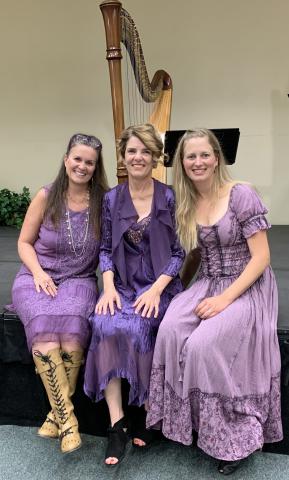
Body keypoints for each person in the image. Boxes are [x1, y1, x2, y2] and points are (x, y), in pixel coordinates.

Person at [146, 128, 283, 475]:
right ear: (182, 162)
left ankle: (234, 438)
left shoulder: (241, 194)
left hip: (245, 285)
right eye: (190, 156)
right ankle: (184, 423)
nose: (198, 162)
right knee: (171, 329)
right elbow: (194, 254)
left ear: (217, 157)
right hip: (207, 281)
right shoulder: (187, 200)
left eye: (204, 154)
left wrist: (223, 300)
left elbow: (261, 258)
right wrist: (174, 288)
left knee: (203, 346)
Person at [84, 123, 185, 466]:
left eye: (145, 151)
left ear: (156, 156)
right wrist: (108, 286)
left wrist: (158, 289)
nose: (138, 157)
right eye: (132, 151)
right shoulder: (112, 199)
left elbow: (179, 253)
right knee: (104, 324)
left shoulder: (169, 197)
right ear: (123, 157)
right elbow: (105, 250)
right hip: (123, 285)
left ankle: (144, 409)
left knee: (140, 326)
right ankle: (117, 424)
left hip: (160, 285)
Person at [10, 133, 108, 453]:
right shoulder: (46, 196)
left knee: (73, 330)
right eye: (77, 159)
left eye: (89, 162)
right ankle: (68, 420)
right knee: (44, 330)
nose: (82, 166)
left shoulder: (104, 201)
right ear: (66, 159)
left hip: (79, 278)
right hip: (38, 276)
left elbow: (110, 250)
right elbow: (24, 242)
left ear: (96, 167)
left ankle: (56, 414)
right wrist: (38, 272)